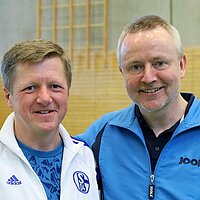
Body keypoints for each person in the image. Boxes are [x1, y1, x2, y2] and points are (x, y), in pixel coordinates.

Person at [76, 15, 200, 199]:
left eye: (159, 63)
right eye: (135, 67)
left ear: (181, 65)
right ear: (122, 72)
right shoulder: (100, 134)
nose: (148, 77)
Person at [0, 39, 99, 200]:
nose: (45, 98)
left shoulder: (86, 156)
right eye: (30, 88)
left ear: (67, 92)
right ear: (8, 96)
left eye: (55, 86)